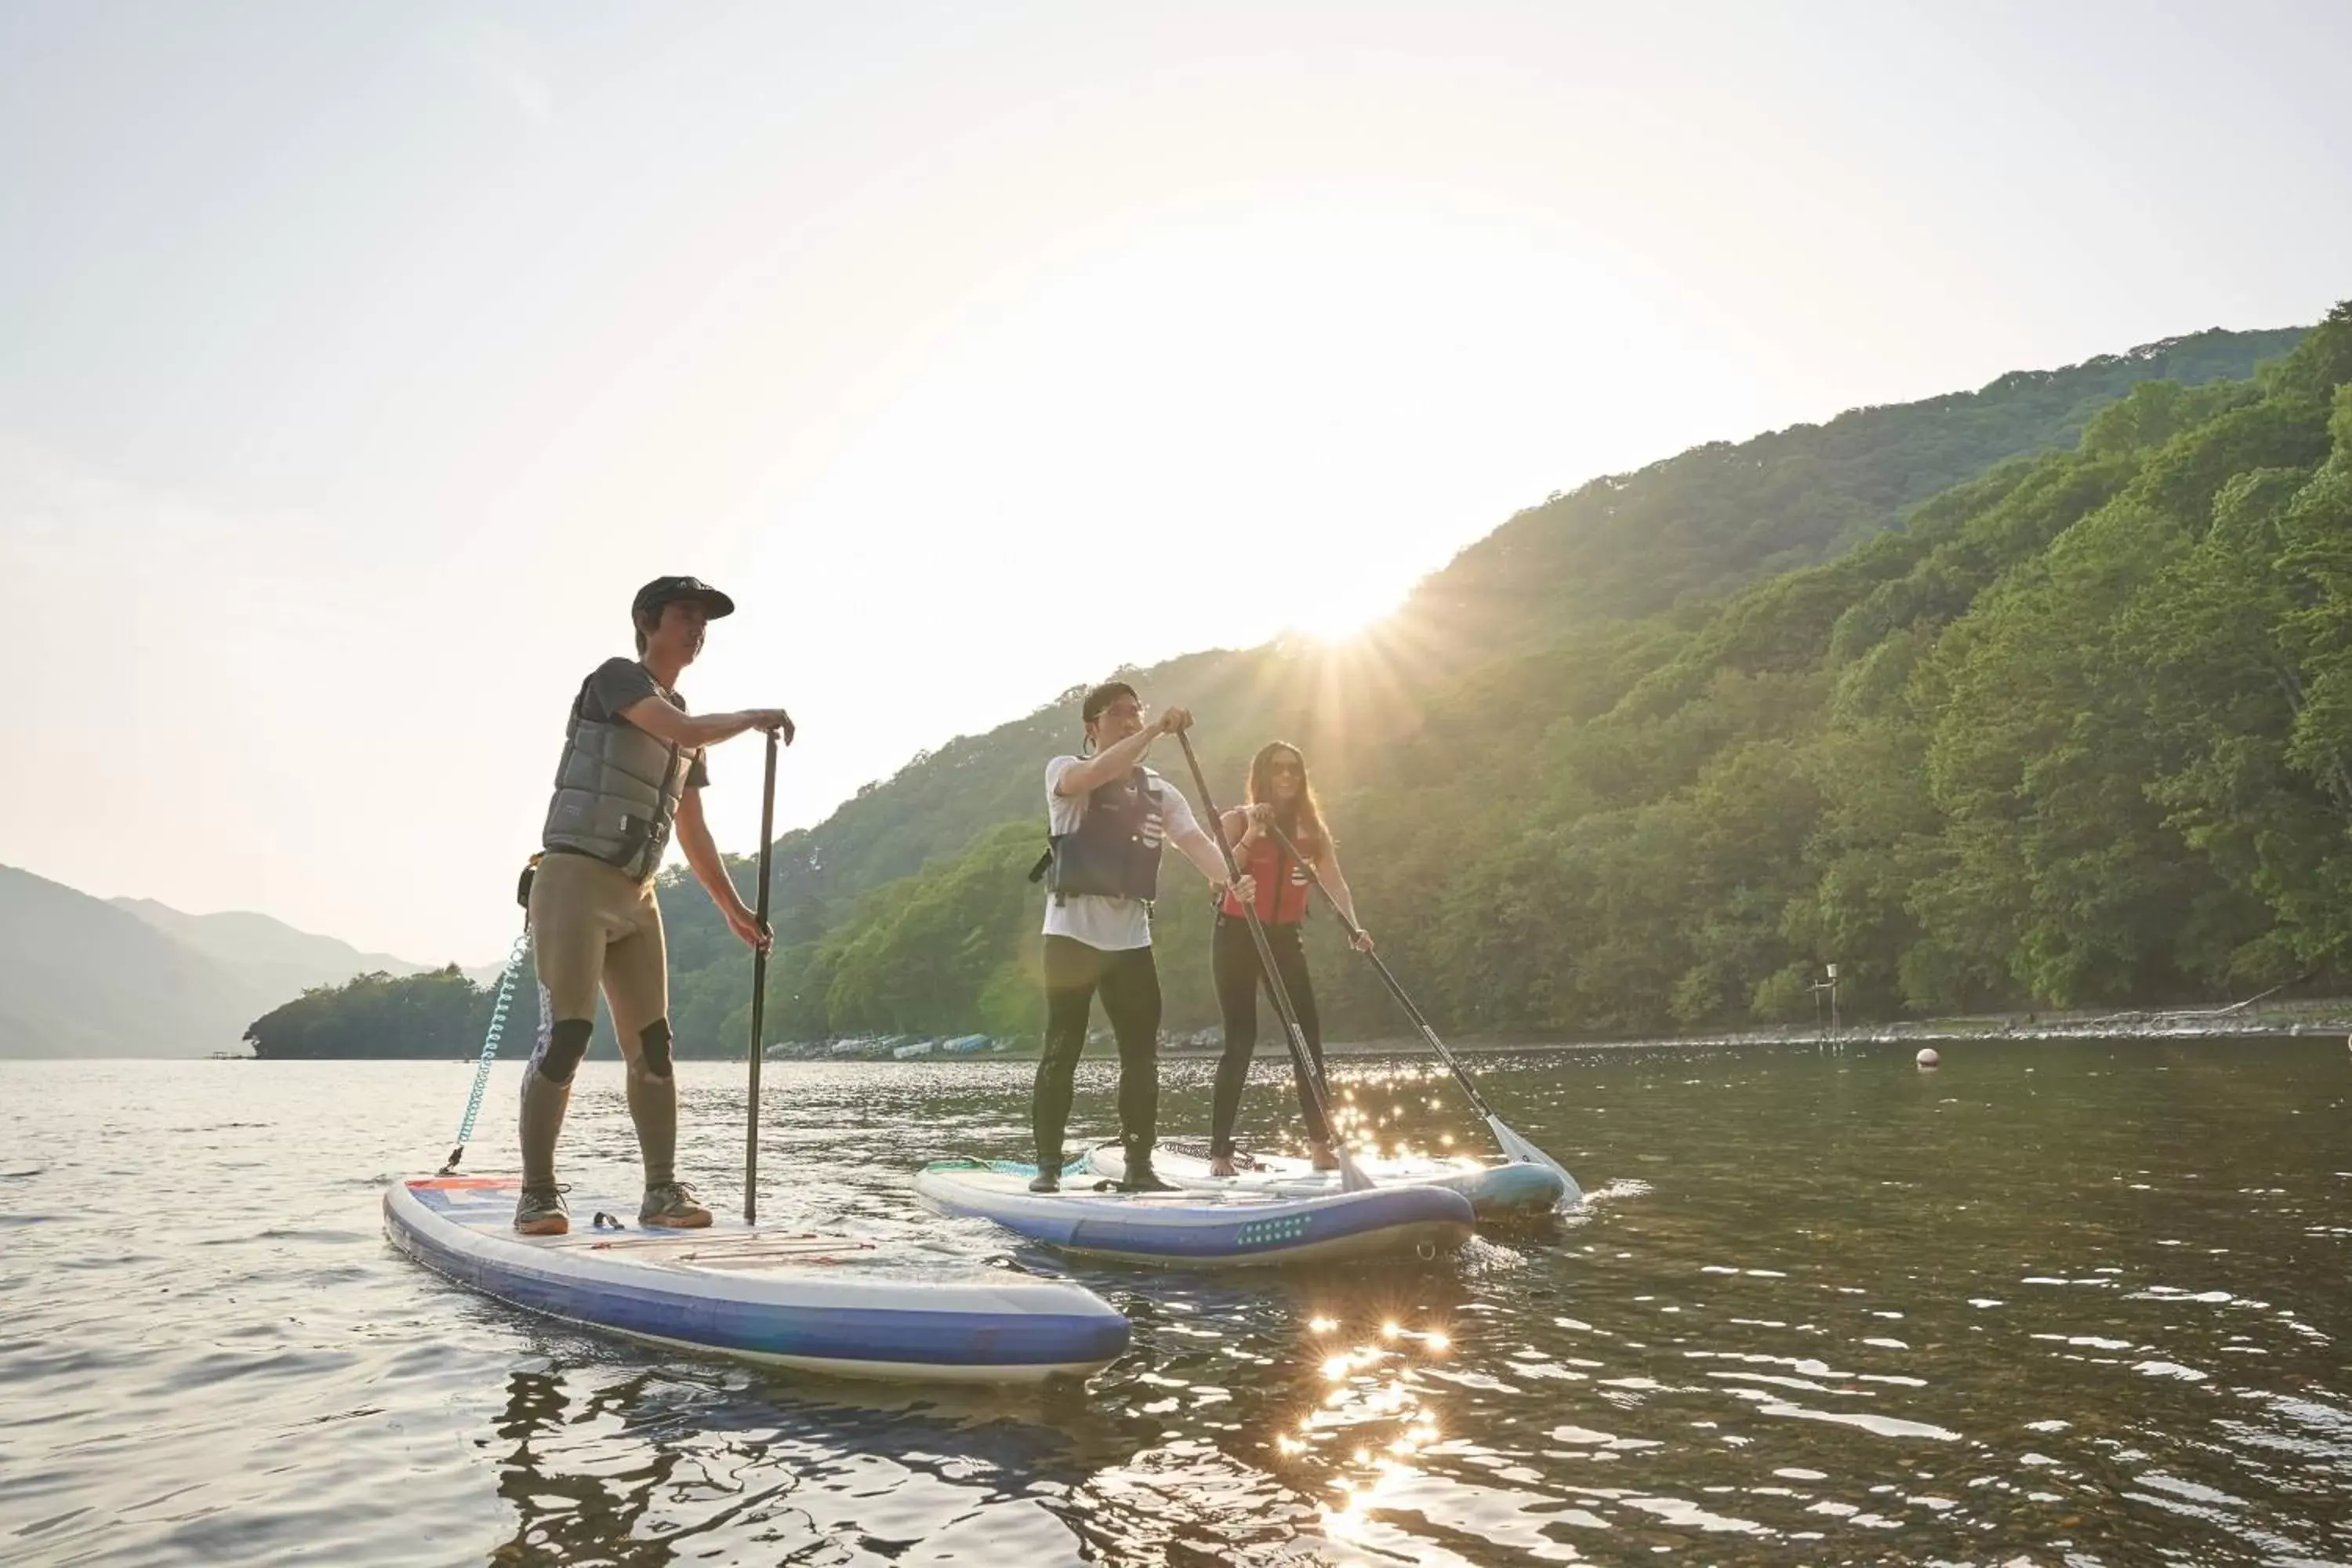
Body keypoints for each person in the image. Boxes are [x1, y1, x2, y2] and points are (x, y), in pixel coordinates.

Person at [514, 575, 796, 1236]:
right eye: (684, 616)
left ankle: (662, 1191)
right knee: (568, 1037)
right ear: (647, 620)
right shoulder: (616, 679)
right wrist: (755, 717)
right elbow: (683, 726)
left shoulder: (688, 717)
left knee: (655, 1046)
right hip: (574, 882)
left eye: (704, 621)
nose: (696, 629)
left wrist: (733, 909)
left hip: (639, 898)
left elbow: (691, 827)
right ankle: (537, 1192)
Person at [1028, 681, 1254, 1193]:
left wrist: (1230, 880)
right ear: (1092, 727)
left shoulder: (1160, 792)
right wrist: (1153, 729)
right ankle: (1047, 1166)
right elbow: (1099, 771)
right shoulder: (1064, 771)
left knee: (1141, 1055)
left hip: (1130, 940)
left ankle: (1139, 1166)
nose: (1131, 720)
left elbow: (1195, 842)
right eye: (1119, 715)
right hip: (1071, 936)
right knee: (1062, 1049)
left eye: (1138, 713)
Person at [1205, 741, 1372, 1178]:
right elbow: (1216, 878)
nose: (1286, 776)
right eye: (1277, 769)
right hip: (1237, 936)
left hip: (1283, 938)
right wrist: (1252, 835)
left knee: (1307, 1042)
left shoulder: (1311, 829)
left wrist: (1354, 928)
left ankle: (1320, 1146)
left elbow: (1335, 883)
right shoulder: (1238, 819)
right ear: (1262, 774)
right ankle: (1220, 1153)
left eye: (1293, 770)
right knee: (1240, 1041)